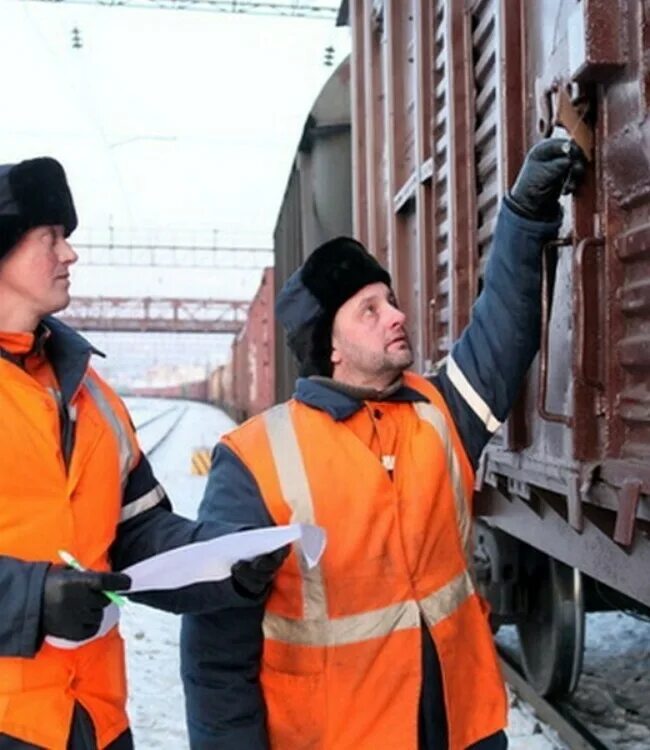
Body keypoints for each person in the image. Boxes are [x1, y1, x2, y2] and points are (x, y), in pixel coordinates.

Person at [180, 138, 585, 750]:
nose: (395, 315)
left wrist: (526, 216)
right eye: (368, 310)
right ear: (331, 346)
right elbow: (216, 653)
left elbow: (503, 326)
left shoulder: (437, 412)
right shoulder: (255, 460)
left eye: (390, 301)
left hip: (461, 727)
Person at [0, 156, 287, 750]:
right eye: (50, 237)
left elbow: (137, 532)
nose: (70, 254)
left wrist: (220, 562)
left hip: (96, 722)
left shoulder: (91, 395)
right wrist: (33, 599)